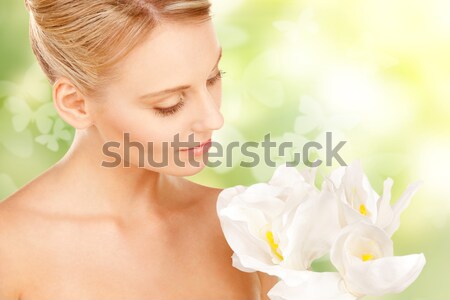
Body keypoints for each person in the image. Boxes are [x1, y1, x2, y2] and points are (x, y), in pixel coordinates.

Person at [0, 0, 279, 299]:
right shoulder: (10, 251)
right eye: (169, 105)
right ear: (76, 104)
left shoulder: (246, 223)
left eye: (213, 77)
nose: (214, 118)